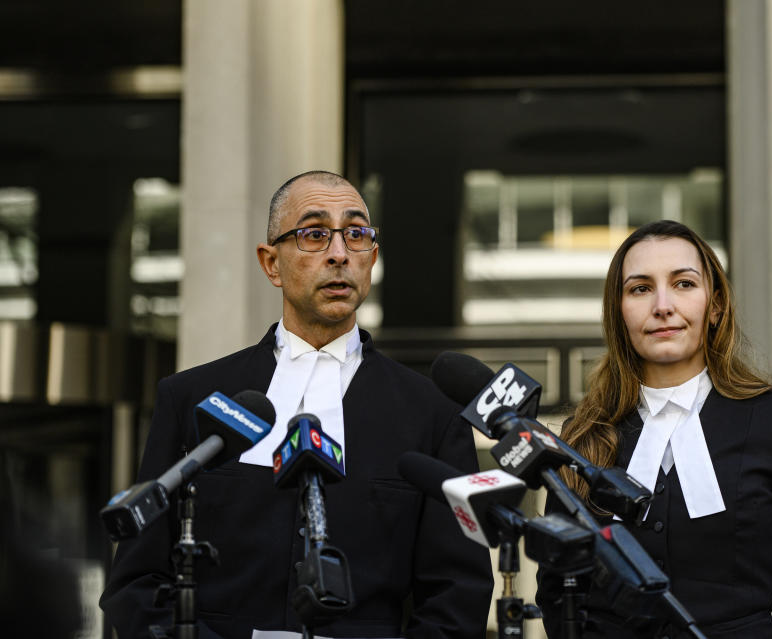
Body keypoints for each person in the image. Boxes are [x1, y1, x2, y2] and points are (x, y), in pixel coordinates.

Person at [101, 170, 493, 639]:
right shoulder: (194, 398)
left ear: (372, 258)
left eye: (356, 234)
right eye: (313, 234)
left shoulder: (431, 413)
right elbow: (138, 582)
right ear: (271, 263)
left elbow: (457, 593)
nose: (339, 253)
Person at [536, 220, 772, 639]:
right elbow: (557, 585)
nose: (662, 305)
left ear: (714, 306)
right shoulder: (584, 433)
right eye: (640, 288)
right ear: (619, 311)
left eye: (683, 284)